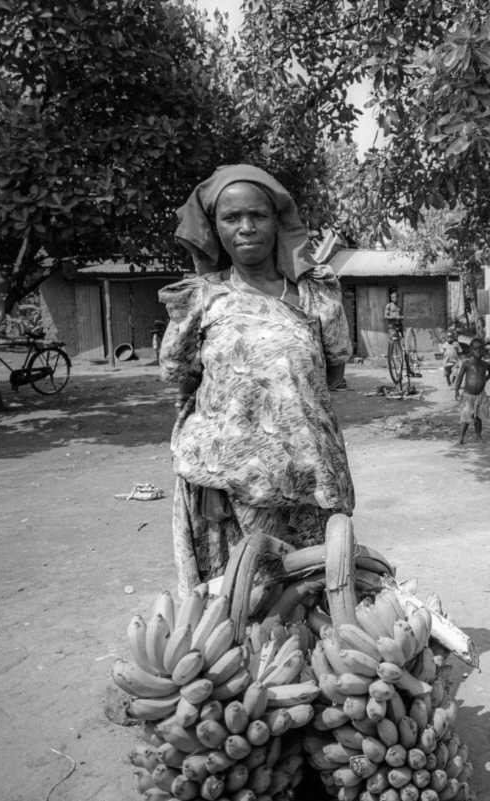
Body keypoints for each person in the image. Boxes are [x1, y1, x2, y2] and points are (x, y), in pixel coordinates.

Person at [158, 164, 355, 600]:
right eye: (231, 218)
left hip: (309, 482)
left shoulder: (314, 294)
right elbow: (184, 384)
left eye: (258, 215)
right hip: (231, 490)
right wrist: (210, 472)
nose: (246, 227)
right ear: (215, 228)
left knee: (310, 600)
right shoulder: (202, 298)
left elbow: (331, 375)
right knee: (242, 604)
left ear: (277, 221)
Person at [453, 337, 490, 444]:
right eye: (477, 349)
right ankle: (461, 438)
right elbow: (460, 378)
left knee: (478, 417)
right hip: (468, 395)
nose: (480, 352)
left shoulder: (485, 364)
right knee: (466, 417)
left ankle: (478, 436)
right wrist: (456, 390)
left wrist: (486, 379)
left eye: (482, 349)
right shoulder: (467, 364)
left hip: (480, 395)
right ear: (472, 350)